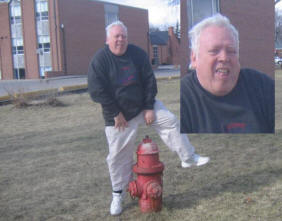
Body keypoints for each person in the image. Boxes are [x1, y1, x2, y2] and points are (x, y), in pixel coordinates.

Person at [88, 20, 210, 216]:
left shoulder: (137, 54)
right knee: (118, 156)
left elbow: (148, 81)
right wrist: (115, 113)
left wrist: (148, 107)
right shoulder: (100, 60)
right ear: (107, 39)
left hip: (143, 105)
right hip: (119, 116)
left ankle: (188, 157)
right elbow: (96, 90)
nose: (120, 39)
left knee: (170, 121)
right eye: (116, 36)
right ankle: (118, 194)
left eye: (123, 36)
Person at [180, 14, 274, 133]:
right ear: (194, 58)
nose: (224, 58)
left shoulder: (264, 88)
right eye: (214, 51)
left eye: (231, 51)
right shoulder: (184, 98)